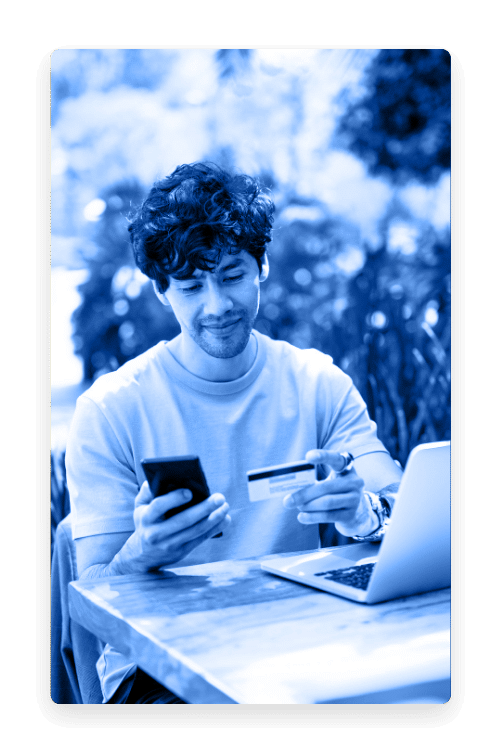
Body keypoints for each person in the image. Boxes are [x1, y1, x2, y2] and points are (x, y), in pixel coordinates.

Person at [66, 162, 403, 704]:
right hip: (158, 673)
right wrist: (142, 552)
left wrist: (365, 513)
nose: (216, 306)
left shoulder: (317, 383)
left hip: (301, 642)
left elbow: (403, 511)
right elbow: (95, 591)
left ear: (262, 266)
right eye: (192, 285)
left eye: (231, 276)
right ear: (161, 290)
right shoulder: (110, 410)